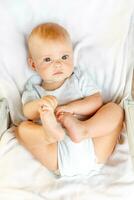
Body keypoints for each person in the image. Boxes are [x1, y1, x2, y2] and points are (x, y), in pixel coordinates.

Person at [15, 22, 124, 176]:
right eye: (48, 59)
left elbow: (96, 101)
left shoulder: (78, 77)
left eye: (64, 57)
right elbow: (27, 112)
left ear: (73, 56)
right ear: (33, 64)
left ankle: (84, 130)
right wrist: (41, 105)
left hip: (93, 145)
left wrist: (72, 108)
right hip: (56, 152)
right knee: (23, 129)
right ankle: (49, 134)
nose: (58, 64)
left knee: (115, 110)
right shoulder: (34, 90)